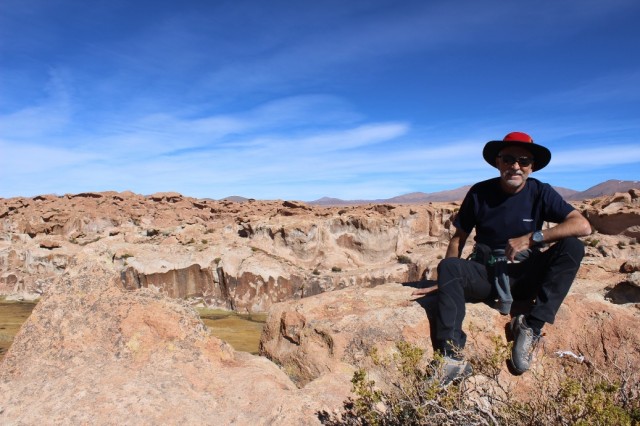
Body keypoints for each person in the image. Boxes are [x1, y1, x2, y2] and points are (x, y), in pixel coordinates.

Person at [413, 131, 592, 383]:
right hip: (487, 275)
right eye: (508, 159)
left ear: (532, 167)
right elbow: (458, 239)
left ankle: (531, 326)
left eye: (523, 161)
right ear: (498, 162)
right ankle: (451, 357)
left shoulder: (540, 192)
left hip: (526, 275)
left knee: (572, 246)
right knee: (449, 267)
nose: (515, 166)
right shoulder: (479, 193)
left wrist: (533, 237)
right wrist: (445, 281)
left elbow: (582, 226)